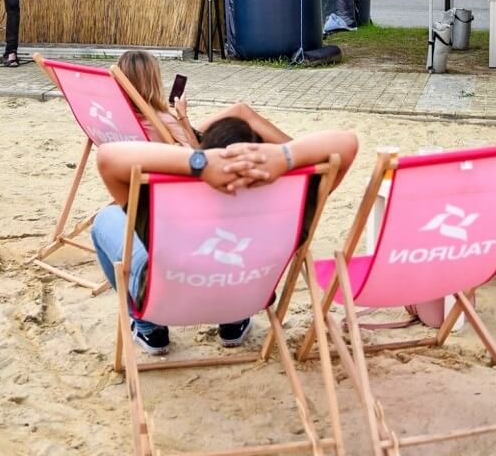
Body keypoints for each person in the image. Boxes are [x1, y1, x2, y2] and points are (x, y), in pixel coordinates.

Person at [91, 120, 359, 356]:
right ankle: (234, 323)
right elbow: (347, 143)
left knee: (106, 219)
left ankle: (150, 329)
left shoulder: (167, 204)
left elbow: (107, 157)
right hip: (247, 297)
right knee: (240, 260)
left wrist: (197, 163)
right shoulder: (295, 204)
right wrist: (284, 155)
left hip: (164, 303)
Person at [115, 49, 291, 147]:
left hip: (178, 135)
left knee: (239, 110)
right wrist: (182, 115)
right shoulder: (159, 118)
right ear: (149, 82)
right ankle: (297, 149)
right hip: (197, 146)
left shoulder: (126, 112)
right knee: (242, 112)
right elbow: (195, 153)